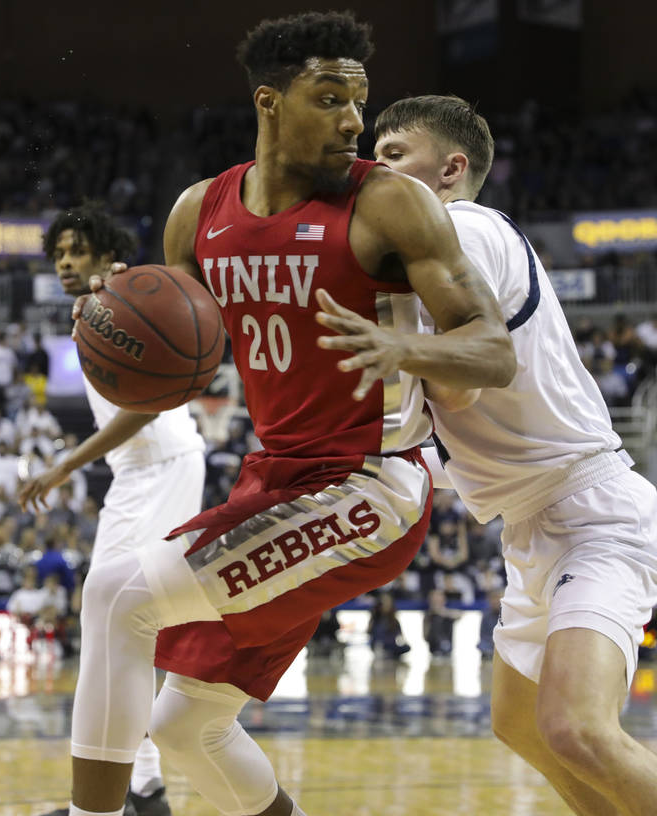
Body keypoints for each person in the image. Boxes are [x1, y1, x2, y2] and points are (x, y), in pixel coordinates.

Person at [57, 12, 513, 816]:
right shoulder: (199, 212)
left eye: (360, 102)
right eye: (330, 97)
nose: (352, 121)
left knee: (116, 598)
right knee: (186, 725)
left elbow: (492, 349)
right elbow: (177, 354)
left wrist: (404, 351)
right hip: (273, 483)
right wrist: (117, 315)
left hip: (370, 489)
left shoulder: (391, 204)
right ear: (269, 102)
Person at [373, 94, 657, 815]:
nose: (376, 165)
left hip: (592, 511)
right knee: (522, 726)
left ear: (451, 168)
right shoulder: (435, 250)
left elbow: (456, 393)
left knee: (576, 728)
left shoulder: (461, 225)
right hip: (533, 524)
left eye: (395, 153)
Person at [22, 201, 207, 816]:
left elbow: (149, 405)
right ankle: (144, 789)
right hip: (142, 474)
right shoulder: (94, 312)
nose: (67, 263)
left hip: (162, 466)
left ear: (105, 255)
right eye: (59, 255)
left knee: (116, 620)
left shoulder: (121, 292)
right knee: (119, 627)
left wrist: (67, 463)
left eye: (78, 251)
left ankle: (139, 791)